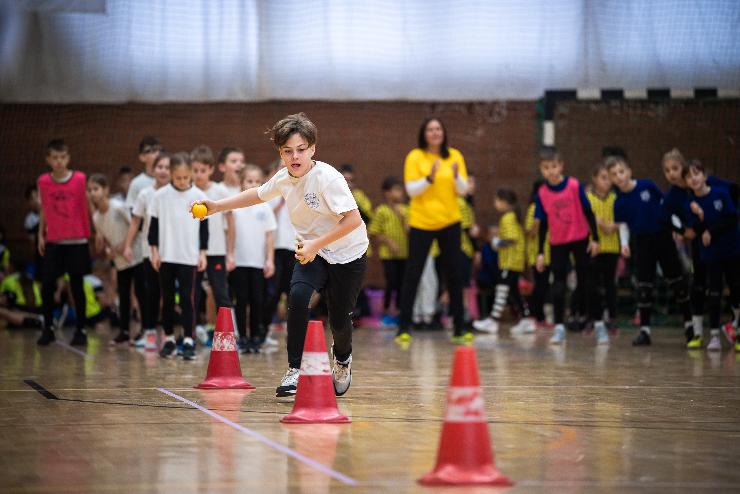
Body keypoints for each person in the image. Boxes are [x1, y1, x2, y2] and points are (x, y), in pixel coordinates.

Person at [193, 113, 368, 398]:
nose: (295, 156)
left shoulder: (328, 179)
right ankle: (294, 370)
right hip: (313, 252)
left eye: (301, 150)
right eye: (288, 151)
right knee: (297, 297)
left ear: (312, 149)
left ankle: (343, 359)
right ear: (280, 153)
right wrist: (217, 206)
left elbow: (353, 220)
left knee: (339, 321)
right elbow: (257, 195)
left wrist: (315, 244)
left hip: (348, 254)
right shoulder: (284, 178)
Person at [395, 117, 470, 344]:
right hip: (421, 222)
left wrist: (456, 176)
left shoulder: (455, 156)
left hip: (450, 222)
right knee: (413, 274)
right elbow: (411, 190)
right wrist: (429, 178)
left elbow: (463, 190)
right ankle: (403, 328)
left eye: (438, 128)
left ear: (444, 132)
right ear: (424, 134)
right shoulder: (415, 156)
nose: (435, 132)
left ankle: (459, 328)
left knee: (454, 274)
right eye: (430, 129)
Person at [606, 155, 693, 346]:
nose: (619, 176)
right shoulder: (618, 202)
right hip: (642, 242)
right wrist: (624, 244)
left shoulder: (647, 185)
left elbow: (667, 208)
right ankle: (645, 331)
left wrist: (678, 229)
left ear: (629, 171)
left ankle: (689, 326)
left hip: (662, 237)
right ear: (611, 179)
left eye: (621, 171)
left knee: (678, 282)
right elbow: (623, 225)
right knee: (644, 286)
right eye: (614, 174)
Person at [533, 147, 605, 345]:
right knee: (558, 286)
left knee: (588, 283)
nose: (551, 171)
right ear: (542, 170)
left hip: (580, 239)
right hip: (558, 243)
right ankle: (559, 327)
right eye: (546, 168)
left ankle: (599, 325)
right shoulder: (542, 193)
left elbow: (588, 212)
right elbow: (543, 224)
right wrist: (540, 252)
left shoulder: (573, 186)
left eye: (554, 166)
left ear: (561, 166)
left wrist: (595, 238)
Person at [148, 152, 208, 360]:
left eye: (185, 177)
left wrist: (203, 253)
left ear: (191, 174)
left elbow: (204, 229)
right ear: (171, 175)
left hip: (189, 257)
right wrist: (154, 252)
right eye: (178, 178)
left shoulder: (199, 195)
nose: (182, 182)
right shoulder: (159, 196)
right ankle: (169, 339)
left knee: (187, 299)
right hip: (166, 256)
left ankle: (189, 339)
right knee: (166, 300)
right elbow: (153, 229)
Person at [36, 139, 91, 346]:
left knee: (77, 286)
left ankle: (81, 329)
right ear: (48, 160)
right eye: (55, 157)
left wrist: (95, 231)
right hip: (55, 240)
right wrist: (41, 234)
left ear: (68, 158)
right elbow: (44, 208)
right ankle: (47, 328)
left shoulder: (79, 179)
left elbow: (86, 205)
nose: (59, 161)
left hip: (77, 239)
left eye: (62, 157)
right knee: (47, 285)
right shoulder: (43, 181)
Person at [682, 161, 740, 352]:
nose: (694, 178)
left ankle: (737, 330)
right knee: (713, 294)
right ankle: (714, 336)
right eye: (689, 176)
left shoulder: (721, 194)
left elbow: (732, 219)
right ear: (687, 182)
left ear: (704, 176)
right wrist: (699, 217)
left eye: (696, 173)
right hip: (711, 255)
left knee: (736, 291)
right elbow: (695, 230)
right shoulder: (691, 204)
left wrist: (711, 231)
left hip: (731, 251)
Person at [88, 174, 146, 345]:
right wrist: (109, 250)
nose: (93, 193)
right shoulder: (96, 217)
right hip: (120, 262)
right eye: (90, 190)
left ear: (106, 190)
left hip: (135, 256)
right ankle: (124, 331)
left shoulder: (119, 207)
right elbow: (105, 240)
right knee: (124, 295)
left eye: (96, 189)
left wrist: (123, 245)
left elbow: (135, 226)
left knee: (141, 294)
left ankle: (144, 329)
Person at [123, 153, 171, 346]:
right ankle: (149, 332)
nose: (163, 171)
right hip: (148, 251)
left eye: (167, 167)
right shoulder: (145, 194)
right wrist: (127, 245)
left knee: (168, 294)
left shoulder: (175, 193)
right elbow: (135, 221)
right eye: (160, 167)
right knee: (150, 292)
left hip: (171, 252)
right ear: (153, 170)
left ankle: (170, 335)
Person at [230, 164, 276, 353]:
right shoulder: (234, 206)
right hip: (239, 262)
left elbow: (269, 235)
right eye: (249, 181)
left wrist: (270, 260)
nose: (253, 184)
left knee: (257, 299)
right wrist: (229, 256)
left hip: (258, 263)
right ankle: (243, 337)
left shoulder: (264, 207)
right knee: (241, 300)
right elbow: (229, 234)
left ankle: (256, 336)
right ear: (241, 183)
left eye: (257, 181)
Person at [473, 189, 533, 334]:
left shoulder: (508, 218)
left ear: (504, 202)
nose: (495, 204)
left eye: (496, 200)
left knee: (501, 289)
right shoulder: (512, 217)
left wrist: (496, 242)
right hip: (513, 261)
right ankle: (526, 320)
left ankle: (493, 320)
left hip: (510, 261)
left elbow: (512, 239)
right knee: (514, 292)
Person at [191, 146, 235, 333]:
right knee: (192, 294)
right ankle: (190, 334)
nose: (199, 174)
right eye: (195, 170)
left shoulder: (220, 192)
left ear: (211, 169)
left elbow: (231, 223)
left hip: (216, 252)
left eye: (203, 170)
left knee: (221, 294)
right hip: (192, 253)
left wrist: (230, 253)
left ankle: (230, 334)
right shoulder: (188, 192)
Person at [262, 159, 298, 337]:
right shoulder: (270, 193)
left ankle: (294, 331)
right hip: (276, 249)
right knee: (273, 291)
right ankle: (265, 327)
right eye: (281, 167)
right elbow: (266, 218)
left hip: (294, 249)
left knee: (293, 291)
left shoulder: (300, 192)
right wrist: (280, 202)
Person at [587, 163, 622, 331]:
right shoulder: (588, 198)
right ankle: (593, 317)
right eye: (603, 178)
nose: (607, 181)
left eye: (609, 178)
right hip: (594, 247)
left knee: (610, 285)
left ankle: (612, 317)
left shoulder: (616, 198)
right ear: (594, 179)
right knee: (592, 284)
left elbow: (624, 217)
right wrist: (598, 222)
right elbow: (584, 217)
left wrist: (613, 226)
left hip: (612, 247)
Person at [368, 176, 408, 324]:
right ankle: (385, 311)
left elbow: (411, 231)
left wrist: (404, 218)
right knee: (391, 282)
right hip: (388, 255)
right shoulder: (381, 211)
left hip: (405, 254)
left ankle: (399, 311)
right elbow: (373, 232)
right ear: (387, 193)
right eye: (396, 190)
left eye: (400, 190)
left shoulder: (406, 210)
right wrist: (388, 241)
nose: (400, 193)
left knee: (402, 283)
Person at [524, 179, 550, 328]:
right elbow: (529, 232)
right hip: (536, 253)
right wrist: (537, 224)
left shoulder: (549, 207)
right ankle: (533, 315)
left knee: (545, 285)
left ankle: (540, 317)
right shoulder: (534, 208)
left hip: (549, 252)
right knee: (541, 284)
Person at [0, 261, 43, 328]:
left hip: (21, 308)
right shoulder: (31, 278)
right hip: (38, 307)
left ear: (11, 267)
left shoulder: (8, 280)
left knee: (3, 310)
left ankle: (32, 321)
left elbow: (4, 299)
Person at [125, 137, 162, 209]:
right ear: (142, 157)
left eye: (160, 150)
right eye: (153, 151)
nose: (157, 154)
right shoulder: (136, 183)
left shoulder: (170, 179)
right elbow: (132, 211)